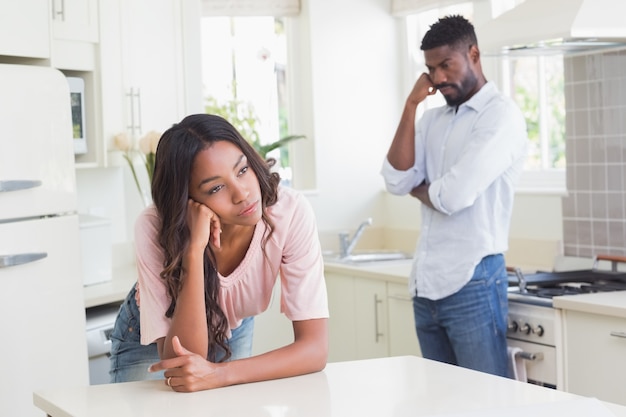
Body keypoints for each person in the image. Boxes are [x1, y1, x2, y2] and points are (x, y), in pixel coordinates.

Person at [109, 113, 329, 392]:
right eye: (216, 188)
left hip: (233, 325)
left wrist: (220, 374)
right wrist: (193, 251)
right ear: (187, 199)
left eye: (242, 170)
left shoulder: (290, 212)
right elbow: (179, 363)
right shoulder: (154, 227)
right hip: (155, 337)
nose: (243, 194)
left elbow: (314, 349)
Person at [380, 15, 528, 378]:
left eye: (446, 65)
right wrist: (411, 105)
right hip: (426, 283)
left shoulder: (500, 116)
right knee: (440, 400)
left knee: (489, 400)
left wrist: (423, 187)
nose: (438, 78)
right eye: (431, 69)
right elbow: (396, 180)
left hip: (473, 278)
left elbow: (454, 195)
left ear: (473, 54)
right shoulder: (432, 120)